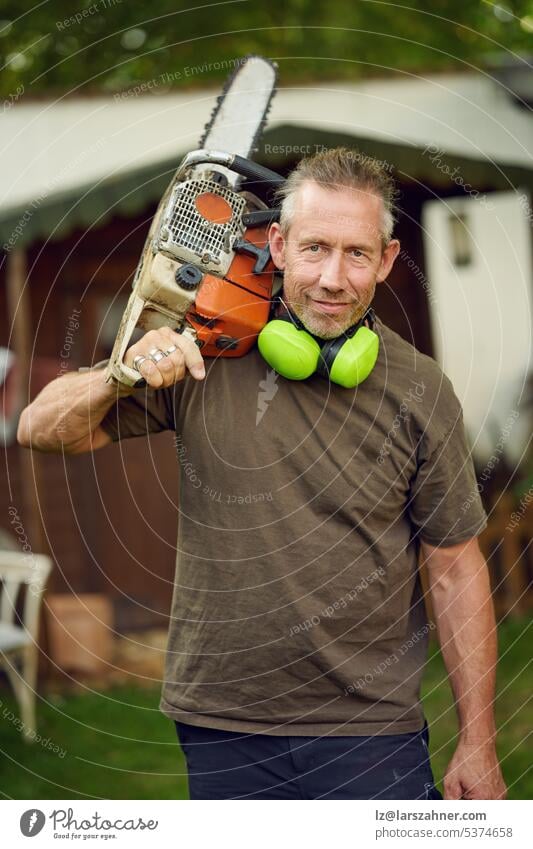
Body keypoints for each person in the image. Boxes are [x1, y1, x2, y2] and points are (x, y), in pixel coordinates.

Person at [18, 147, 507, 801]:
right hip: (220, 724)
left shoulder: (420, 389)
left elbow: (453, 567)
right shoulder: (204, 351)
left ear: (387, 261)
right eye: (314, 248)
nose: (333, 277)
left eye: (356, 253)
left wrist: (476, 740)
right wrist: (118, 373)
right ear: (276, 244)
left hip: (369, 729)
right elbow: (40, 429)